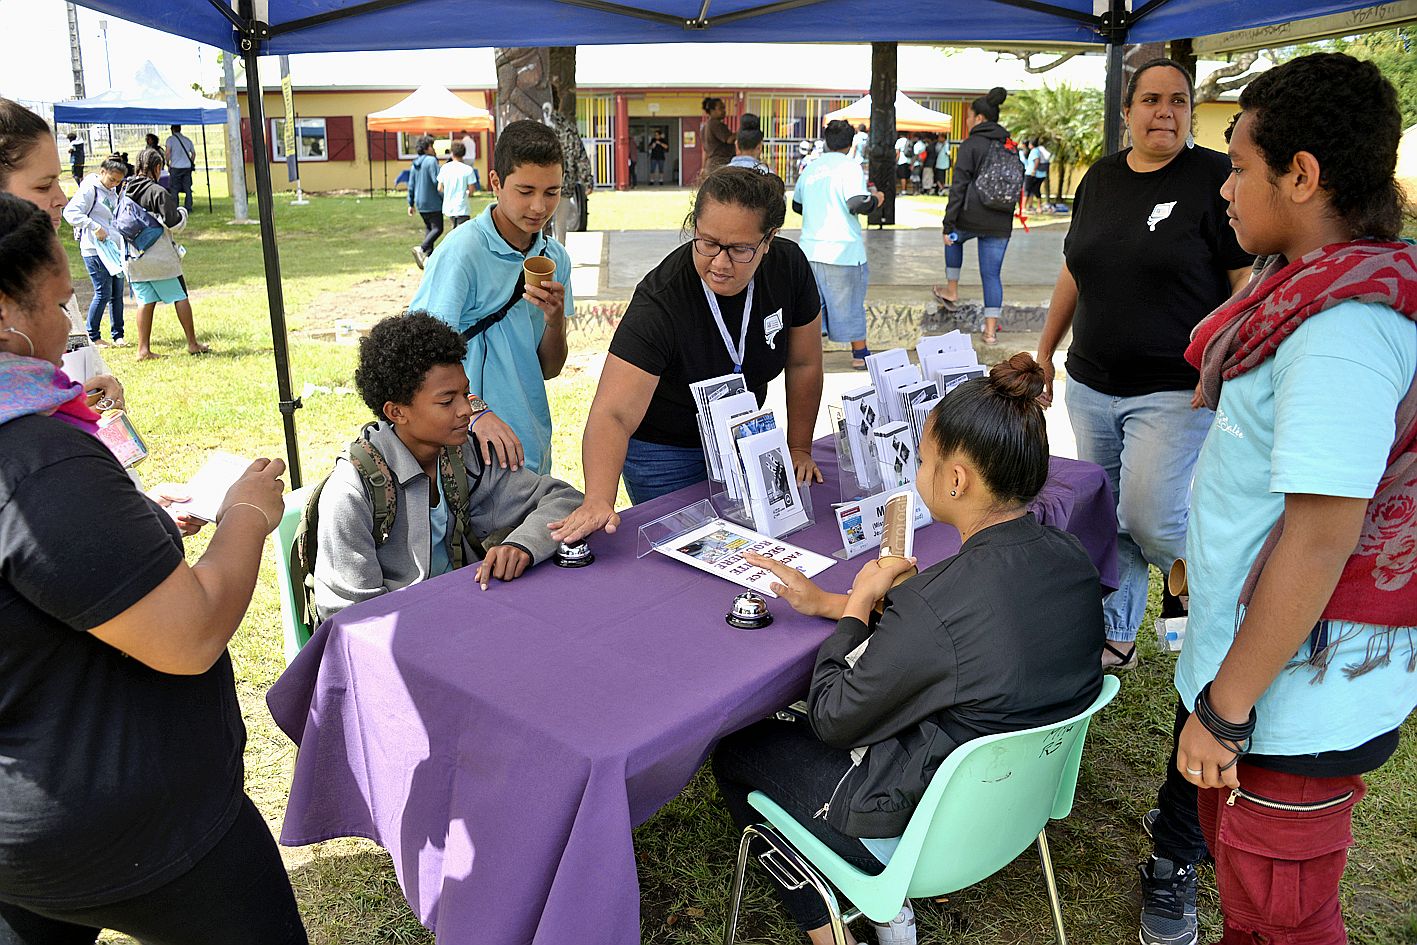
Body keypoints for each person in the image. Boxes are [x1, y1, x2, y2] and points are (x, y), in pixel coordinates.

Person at [712, 353, 1104, 945]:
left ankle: (841, 927)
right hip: (1017, 809)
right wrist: (844, 603)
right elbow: (970, 644)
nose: (918, 473)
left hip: (923, 828)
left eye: (923, 461)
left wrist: (853, 612)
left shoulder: (938, 603)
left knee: (741, 748)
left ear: (956, 479)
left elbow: (832, 718)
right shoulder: (1072, 559)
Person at [0, 193, 307, 945]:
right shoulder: (34, 462)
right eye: (57, 303)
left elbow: (40, 576)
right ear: (4, 311)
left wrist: (127, 526)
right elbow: (190, 633)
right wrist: (245, 515)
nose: (68, 326)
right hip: (134, 826)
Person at [1174, 53, 1417, 945]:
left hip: (1288, 706)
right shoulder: (1303, 292)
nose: (1226, 188)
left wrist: (1224, 711)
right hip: (1256, 684)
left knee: (1285, 921)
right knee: (1250, 902)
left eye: (1239, 166)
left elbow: (1321, 541)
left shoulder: (1342, 332)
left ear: (1301, 175)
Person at [1030, 58, 1253, 945]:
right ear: (1126, 111)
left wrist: (1231, 366)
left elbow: (1242, 287)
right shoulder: (1100, 179)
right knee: (1099, 514)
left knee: (1153, 517)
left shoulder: (1210, 180)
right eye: (1151, 99)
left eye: (1178, 101)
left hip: (1175, 388)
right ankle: (1117, 634)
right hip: (1090, 383)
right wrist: (1045, 348)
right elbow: (1075, 272)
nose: (1165, 111)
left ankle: (1188, 599)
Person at [549, 166, 824, 538]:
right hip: (665, 450)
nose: (720, 263)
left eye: (740, 249)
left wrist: (799, 447)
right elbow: (612, 413)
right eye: (708, 242)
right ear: (694, 226)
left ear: (768, 240)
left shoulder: (789, 268)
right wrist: (599, 498)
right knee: (693, 549)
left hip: (741, 438)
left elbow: (804, 363)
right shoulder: (661, 301)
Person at [313, 312, 583, 621]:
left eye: (465, 394)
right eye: (446, 401)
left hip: (465, 616)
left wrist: (522, 544)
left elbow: (564, 500)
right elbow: (350, 619)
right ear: (397, 412)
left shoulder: (464, 455)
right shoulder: (351, 492)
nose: (467, 410)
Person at [409, 119, 571, 477]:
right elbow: (424, 354)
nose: (539, 207)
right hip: (466, 443)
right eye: (525, 190)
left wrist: (555, 320)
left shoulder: (555, 258)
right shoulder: (463, 251)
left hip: (529, 440)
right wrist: (478, 411)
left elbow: (549, 368)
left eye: (552, 192)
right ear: (496, 182)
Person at [0, 98, 123, 411]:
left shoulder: (43, 269)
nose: (61, 198)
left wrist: (88, 390)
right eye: (44, 187)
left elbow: (72, 361)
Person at [792, 119, 882, 369]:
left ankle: (808, 357)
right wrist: (876, 200)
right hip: (843, 250)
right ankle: (860, 354)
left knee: (812, 308)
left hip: (810, 250)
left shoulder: (811, 167)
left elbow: (797, 205)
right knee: (850, 303)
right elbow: (857, 203)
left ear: (826, 140)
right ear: (851, 141)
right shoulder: (850, 167)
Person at [934, 87, 1016, 345]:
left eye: (970, 116)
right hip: (1001, 220)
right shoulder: (1009, 144)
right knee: (991, 275)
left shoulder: (972, 144)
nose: (967, 121)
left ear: (980, 118)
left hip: (969, 218)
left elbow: (958, 186)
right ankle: (990, 332)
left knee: (953, 239)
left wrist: (948, 224)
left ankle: (952, 290)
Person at [123, 147, 211, 360]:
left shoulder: (125, 190)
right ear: (157, 167)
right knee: (180, 296)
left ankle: (142, 349)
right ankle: (192, 343)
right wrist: (182, 212)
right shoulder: (157, 192)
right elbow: (175, 224)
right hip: (159, 257)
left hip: (133, 256)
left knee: (145, 301)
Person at [63, 155, 128, 348]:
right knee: (103, 292)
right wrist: (94, 226)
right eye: (111, 179)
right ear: (102, 172)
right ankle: (93, 334)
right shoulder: (90, 189)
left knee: (117, 292)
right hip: (94, 249)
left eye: (118, 181)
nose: (114, 184)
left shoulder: (114, 192)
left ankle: (118, 334)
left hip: (113, 248)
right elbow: (70, 213)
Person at [407, 134, 444, 269]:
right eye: (432, 146)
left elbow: (411, 184)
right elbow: (437, 181)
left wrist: (410, 203)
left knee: (429, 228)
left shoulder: (415, 163)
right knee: (438, 228)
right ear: (427, 148)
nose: (433, 149)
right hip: (432, 202)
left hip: (420, 203)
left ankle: (428, 259)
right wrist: (444, 197)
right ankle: (422, 249)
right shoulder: (431, 161)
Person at [437, 139, 476, 229]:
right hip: (462, 207)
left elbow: (439, 188)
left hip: (448, 207)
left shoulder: (445, 168)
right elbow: (471, 190)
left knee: (453, 233)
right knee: (463, 234)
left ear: (452, 153)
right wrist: (467, 193)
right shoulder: (468, 169)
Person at [163, 124, 195, 212]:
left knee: (174, 188)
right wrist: (191, 162)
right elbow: (193, 153)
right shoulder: (187, 140)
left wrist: (167, 162)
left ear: (172, 130)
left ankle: (175, 206)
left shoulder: (170, 140)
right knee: (187, 187)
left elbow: (168, 152)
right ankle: (188, 207)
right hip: (187, 167)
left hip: (175, 166)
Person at [701, 96, 735, 178]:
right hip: (720, 164)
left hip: (711, 165)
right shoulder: (716, 124)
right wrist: (741, 132)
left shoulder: (705, 126)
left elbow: (705, 151)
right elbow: (729, 139)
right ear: (712, 110)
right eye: (721, 108)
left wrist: (703, 167)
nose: (724, 111)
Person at [893, 130, 911, 195]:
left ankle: (903, 190)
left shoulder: (899, 141)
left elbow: (897, 152)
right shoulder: (909, 141)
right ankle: (906, 189)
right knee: (906, 176)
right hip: (908, 160)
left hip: (901, 160)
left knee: (902, 177)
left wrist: (896, 160)